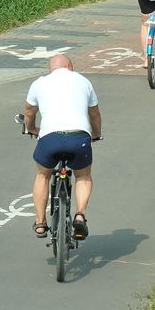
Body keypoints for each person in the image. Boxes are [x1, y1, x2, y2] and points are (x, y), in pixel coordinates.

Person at [21, 53, 102, 241]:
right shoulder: (83, 81)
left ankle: (40, 223)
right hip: (78, 137)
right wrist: (96, 134)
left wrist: (31, 128)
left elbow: (28, 111)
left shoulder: (39, 83)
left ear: (51, 69)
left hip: (50, 138)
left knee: (43, 175)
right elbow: (95, 114)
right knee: (83, 175)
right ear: (69, 66)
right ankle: (80, 215)